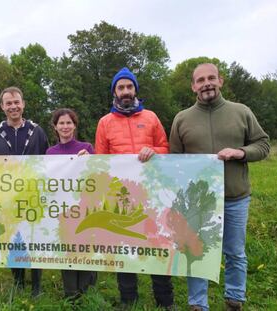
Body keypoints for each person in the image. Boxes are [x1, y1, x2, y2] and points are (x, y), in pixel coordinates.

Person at [169, 63, 270, 311]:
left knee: (235, 252)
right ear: (193, 86)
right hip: (198, 202)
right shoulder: (182, 119)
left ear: (220, 81)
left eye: (211, 78)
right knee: (196, 252)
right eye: (200, 80)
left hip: (235, 198)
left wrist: (240, 152)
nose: (207, 84)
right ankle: (197, 303)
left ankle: (235, 299)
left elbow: (263, 145)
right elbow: (174, 160)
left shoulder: (241, 111)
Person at [95, 67, 174, 309]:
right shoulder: (105, 122)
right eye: (121, 87)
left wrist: (155, 151)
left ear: (135, 90)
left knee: (157, 245)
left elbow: (165, 148)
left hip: (153, 193)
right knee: (125, 247)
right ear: (115, 92)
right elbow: (101, 159)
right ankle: (129, 300)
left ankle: (165, 300)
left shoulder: (151, 117)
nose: (126, 91)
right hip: (121, 196)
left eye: (130, 87)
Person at [0, 86, 49, 296]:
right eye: (8, 103)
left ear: (23, 104)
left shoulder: (36, 131)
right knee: (13, 238)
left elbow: (50, 161)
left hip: (33, 194)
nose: (13, 106)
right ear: (2, 106)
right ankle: (19, 282)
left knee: (35, 238)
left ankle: (36, 285)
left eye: (16, 102)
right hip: (7, 197)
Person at [46, 108, 97, 299]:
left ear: (74, 125)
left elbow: (97, 177)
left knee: (84, 249)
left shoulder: (87, 148)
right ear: (55, 127)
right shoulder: (50, 153)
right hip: (62, 211)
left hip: (84, 210)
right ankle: (70, 294)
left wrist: (89, 161)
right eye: (61, 123)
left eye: (69, 123)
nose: (65, 126)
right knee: (66, 249)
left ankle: (86, 293)